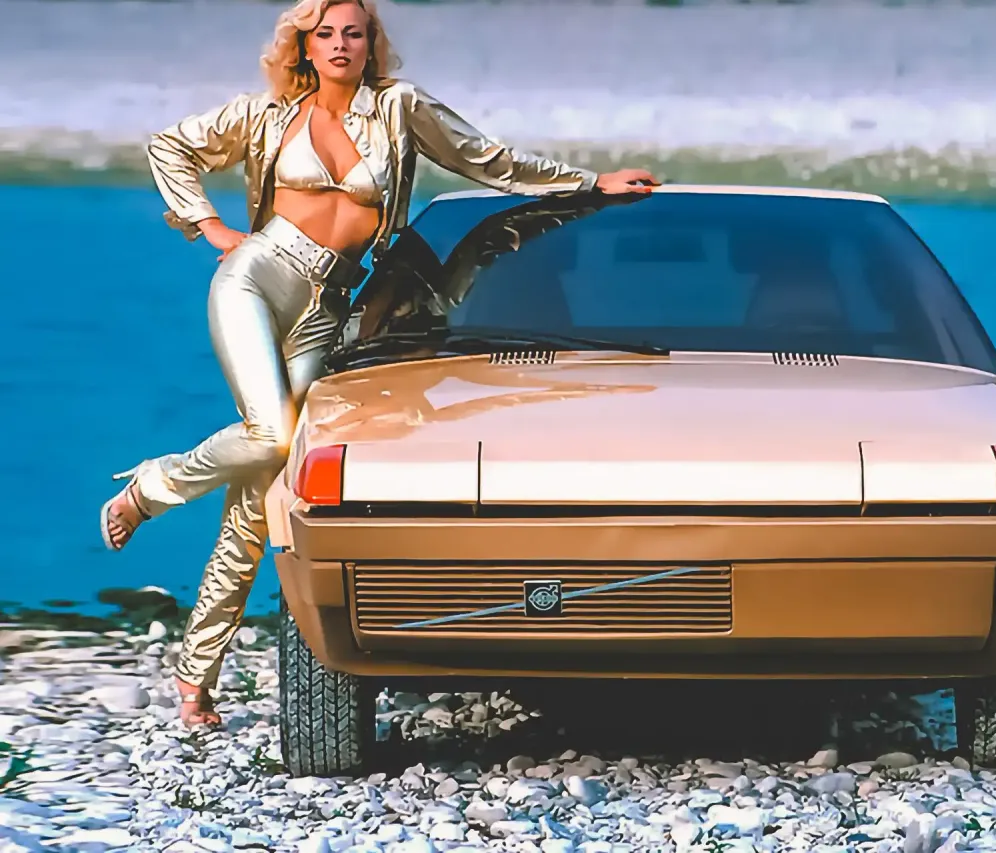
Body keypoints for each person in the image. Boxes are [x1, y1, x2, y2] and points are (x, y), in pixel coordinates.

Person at [98, 0, 658, 728]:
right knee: (271, 435)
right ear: (305, 45)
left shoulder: (400, 108)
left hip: (328, 305)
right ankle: (151, 487)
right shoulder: (266, 114)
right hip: (256, 277)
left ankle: (194, 677)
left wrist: (588, 182)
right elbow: (169, 145)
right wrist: (209, 226)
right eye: (325, 34)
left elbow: (489, 160)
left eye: (353, 34)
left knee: (263, 489)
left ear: (371, 44)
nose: (340, 44)